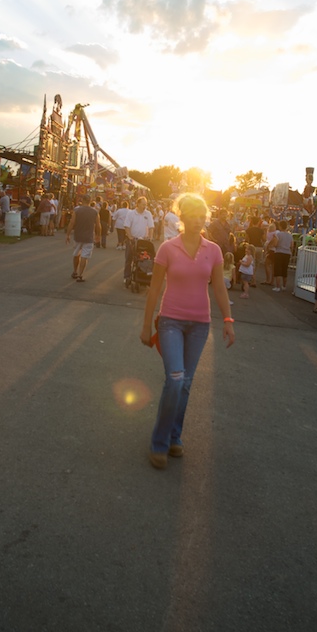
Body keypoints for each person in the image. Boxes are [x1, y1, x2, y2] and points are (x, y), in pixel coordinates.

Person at [140, 193, 235, 469]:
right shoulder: (168, 248)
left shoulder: (213, 250)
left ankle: (174, 436)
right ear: (181, 217)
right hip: (170, 321)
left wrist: (228, 321)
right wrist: (146, 325)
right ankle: (159, 442)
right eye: (191, 215)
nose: (197, 220)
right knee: (176, 378)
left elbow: (218, 287)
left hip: (199, 326)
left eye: (201, 215)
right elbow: (154, 289)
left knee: (186, 383)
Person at [65, 194, 101, 282]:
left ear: (83, 200)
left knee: (76, 253)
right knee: (85, 256)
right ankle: (80, 275)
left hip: (78, 235)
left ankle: (74, 271)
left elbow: (72, 223)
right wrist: (98, 235)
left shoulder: (77, 210)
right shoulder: (95, 212)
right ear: (90, 201)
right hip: (89, 237)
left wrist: (68, 234)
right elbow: (98, 225)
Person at [123, 197, 154, 284]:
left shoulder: (148, 214)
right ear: (138, 204)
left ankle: (143, 275)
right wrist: (130, 237)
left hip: (144, 241)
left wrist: (150, 237)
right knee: (129, 258)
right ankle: (127, 276)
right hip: (133, 239)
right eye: (143, 204)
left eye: (146, 204)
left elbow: (151, 227)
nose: (145, 206)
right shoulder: (131, 213)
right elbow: (126, 226)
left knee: (144, 259)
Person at [272, 220, 294, 292]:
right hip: (287, 253)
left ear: (280, 226)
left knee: (278, 270)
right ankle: (284, 286)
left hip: (279, 252)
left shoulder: (278, 234)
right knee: (284, 270)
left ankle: (277, 286)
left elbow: (275, 244)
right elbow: (292, 245)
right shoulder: (290, 235)